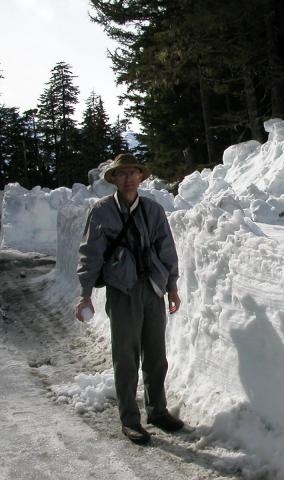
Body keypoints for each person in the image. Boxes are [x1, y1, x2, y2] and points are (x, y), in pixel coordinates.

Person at [74, 153, 183, 445]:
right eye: (122, 174)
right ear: (114, 179)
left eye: (133, 173)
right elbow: (90, 254)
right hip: (122, 292)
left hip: (153, 289)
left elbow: (167, 250)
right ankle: (130, 419)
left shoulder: (153, 210)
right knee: (126, 357)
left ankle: (157, 411)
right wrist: (85, 295)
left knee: (156, 356)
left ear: (140, 177)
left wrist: (172, 287)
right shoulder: (102, 211)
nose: (129, 178)